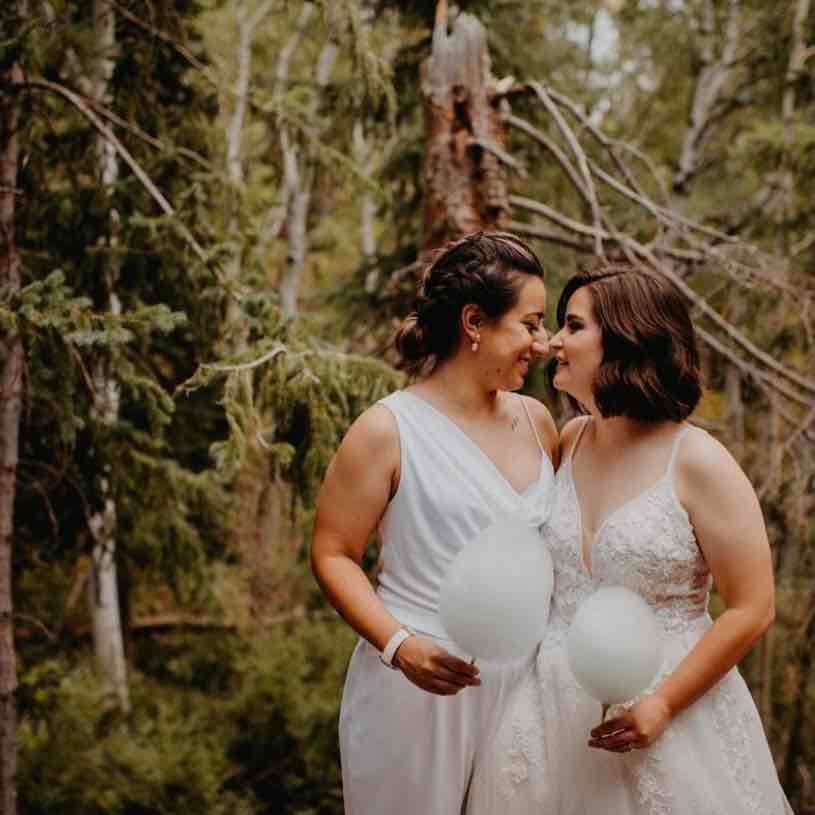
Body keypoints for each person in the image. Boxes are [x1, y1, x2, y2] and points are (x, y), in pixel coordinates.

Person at [467, 265, 794, 814]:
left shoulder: (698, 461)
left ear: (627, 335)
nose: (552, 343)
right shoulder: (568, 442)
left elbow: (753, 607)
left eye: (573, 326)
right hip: (549, 712)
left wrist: (663, 703)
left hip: (668, 709)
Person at [311, 231, 558, 814]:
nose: (542, 343)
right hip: (418, 693)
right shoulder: (387, 430)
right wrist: (400, 646)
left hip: (526, 697)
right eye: (530, 323)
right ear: (474, 322)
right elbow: (332, 552)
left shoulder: (539, 422)